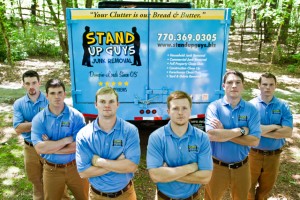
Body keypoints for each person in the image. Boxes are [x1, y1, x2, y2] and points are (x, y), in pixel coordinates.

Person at [76, 86, 141, 200]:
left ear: (118, 104)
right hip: (97, 196)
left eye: (111, 101)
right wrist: (118, 163)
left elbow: (131, 166)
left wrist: (99, 162)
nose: (107, 105)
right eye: (102, 101)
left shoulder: (130, 131)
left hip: (125, 195)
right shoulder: (84, 135)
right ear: (96, 104)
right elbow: (84, 172)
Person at [205, 70, 261, 200]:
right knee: (211, 198)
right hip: (217, 166)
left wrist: (224, 132)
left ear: (243, 85)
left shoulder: (251, 110)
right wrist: (241, 131)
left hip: (242, 167)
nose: (234, 86)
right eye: (230, 82)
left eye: (238, 82)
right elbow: (212, 135)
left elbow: (254, 141)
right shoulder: (214, 107)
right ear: (224, 86)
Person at [147, 90, 213, 200]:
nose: (180, 112)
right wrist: (190, 168)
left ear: (190, 110)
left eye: (184, 108)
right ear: (168, 111)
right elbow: (155, 176)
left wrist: (169, 173)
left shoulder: (202, 138)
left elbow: (205, 177)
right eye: (175, 108)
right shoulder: (156, 137)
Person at [31, 79, 89, 200]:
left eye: (59, 92)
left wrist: (50, 147)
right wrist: (65, 141)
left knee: (85, 197)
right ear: (46, 95)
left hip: (76, 168)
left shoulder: (77, 117)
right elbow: (39, 148)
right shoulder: (39, 119)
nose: (56, 96)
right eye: (52, 93)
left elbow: (78, 146)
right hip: (52, 170)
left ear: (64, 94)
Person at [248, 73, 293, 200]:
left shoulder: (283, 106)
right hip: (253, 154)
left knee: (265, 190)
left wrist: (261, 130)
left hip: (274, 156)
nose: (267, 87)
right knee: (248, 188)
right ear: (259, 86)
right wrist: (276, 126)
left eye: (271, 84)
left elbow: (288, 132)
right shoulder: (250, 106)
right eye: (264, 84)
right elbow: (250, 131)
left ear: (275, 86)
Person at [13, 70, 48, 200]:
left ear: (39, 83)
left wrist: (28, 124)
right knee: (36, 180)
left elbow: (55, 123)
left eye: (34, 82)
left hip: (48, 146)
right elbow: (17, 128)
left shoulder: (49, 99)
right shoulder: (19, 104)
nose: (31, 86)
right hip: (30, 148)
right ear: (23, 85)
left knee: (55, 180)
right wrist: (40, 123)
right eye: (27, 83)